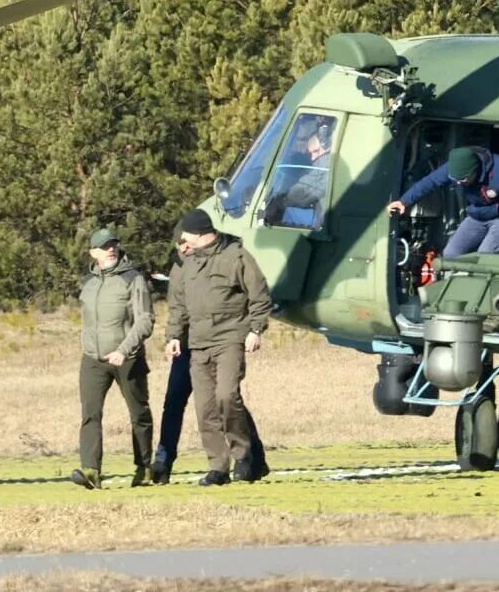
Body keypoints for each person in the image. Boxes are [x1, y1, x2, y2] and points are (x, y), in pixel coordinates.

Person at [150, 223, 268, 485]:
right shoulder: (182, 267)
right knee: (180, 403)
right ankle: (165, 462)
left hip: (224, 339)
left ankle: (252, 457)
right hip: (189, 345)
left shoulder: (230, 257)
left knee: (227, 397)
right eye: (179, 245)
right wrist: (172, 338)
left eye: (186, 242)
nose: (184, 248)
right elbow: (177, 307)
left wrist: (255, 329)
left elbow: (257, 294)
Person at [72, 228, 155, 489]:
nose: (111, 249)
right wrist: (87, 346)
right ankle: (91, 471)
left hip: (127, 358)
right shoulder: (89, 282)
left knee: (139, 414)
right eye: (105, 246)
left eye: (113, 244)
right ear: (93, 252)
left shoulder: (133, 279)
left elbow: (145, 320)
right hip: (93, 360)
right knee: (90, 414)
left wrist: (123, 349)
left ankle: (144, 468)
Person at [387, 146, 499, 257]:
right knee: (451, 254)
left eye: (464, 180)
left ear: (476, 170)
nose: (460, 184)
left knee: (486, 256)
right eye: (456, 181)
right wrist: (404, 201)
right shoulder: (454, 168)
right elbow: (430, 182)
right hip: (478, 215)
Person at [264, 130, 331, 228]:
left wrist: (278, 201)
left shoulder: (326, 163)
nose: (313, 158)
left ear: (328, 146)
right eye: (311, 153)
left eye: (316, 151)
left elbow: (300, 194)